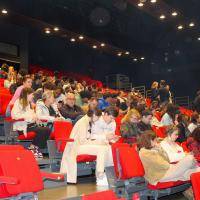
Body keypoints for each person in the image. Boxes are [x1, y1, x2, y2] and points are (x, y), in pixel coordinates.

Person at [60, 108, 114, 185]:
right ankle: (100, 175)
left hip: (81, 145)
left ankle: (105, 173)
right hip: (76, 147)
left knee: (106, 147)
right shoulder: (83, 122)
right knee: (102, 148)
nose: (98, 119)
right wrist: (98, 142)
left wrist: (99, 142)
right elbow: (83, 141)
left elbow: (88, 138)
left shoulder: (87, 121)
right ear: (94, 115)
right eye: (98, 117)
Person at [11, 88, 51, 159]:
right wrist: (30, 117)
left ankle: (35, 147)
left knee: (47, 130)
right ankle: (33, 147)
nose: (33, 96)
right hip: (23, 127)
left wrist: (36, 118)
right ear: (27, 95)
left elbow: (33, 114)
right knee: (44, 130)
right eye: (32, 94)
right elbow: (15, 116)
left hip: (31, 126)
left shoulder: (29, 104)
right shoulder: (18, 102)